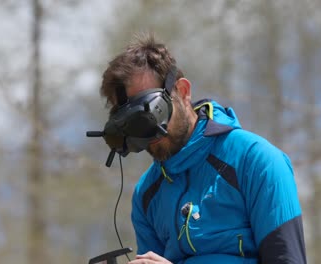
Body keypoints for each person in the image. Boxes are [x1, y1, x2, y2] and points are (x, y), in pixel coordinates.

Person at [99, 32, 307, 264]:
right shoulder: (146, 194)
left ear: (184, 91)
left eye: (151, 112)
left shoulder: (258, 163)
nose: (148, 133)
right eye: (134, 124)